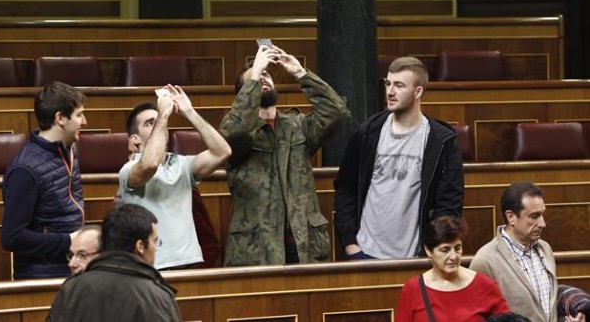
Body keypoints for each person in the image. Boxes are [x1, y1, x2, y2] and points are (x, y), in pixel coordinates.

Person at [219, 43, 350, 266]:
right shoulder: (237, 130)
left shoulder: (297, 126)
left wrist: (300, 73)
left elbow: (337, 114)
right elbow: (232, 136)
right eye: (257, 77)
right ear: (244, 94)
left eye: (266, 75)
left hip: (304, 246)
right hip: (257, 250)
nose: (263, 79)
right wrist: (255, 74)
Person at [334, 56, 464, 260]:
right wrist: (351, 244)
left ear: (418, 91)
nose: (390, 92)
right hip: (365, 252)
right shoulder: (368, 133)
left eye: (399, 85)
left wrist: (430, 250)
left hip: (415, 256)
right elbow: (346, 188)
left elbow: (449, 203)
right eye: (388, 83)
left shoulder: (440, 141)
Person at [117, 85, 231, 270]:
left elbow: (222, 152)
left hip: (191, 261)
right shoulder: (128, 169)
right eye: (149, 123)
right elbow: (150, 164)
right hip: (155, 265)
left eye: (158, 120)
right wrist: (162, 115)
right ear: (134, 139)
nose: (158, 124)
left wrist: (190, 112)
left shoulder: (182, 164)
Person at [1, 81, 87, 279]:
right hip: (42, 276)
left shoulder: (69, 149)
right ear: (60, 118)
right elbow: (11, 238)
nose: (84, 122)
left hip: (71, 267)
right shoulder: (24, 169)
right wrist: (68, 241)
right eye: (79, 115)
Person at [470, 181, 586, 322]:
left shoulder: (545, 248)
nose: (543, 223)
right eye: (534, 216)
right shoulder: (485, 261)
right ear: (511, 217)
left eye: (542, 215)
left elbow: (547, 308)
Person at [46, 203, 181, 322]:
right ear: (140, 246)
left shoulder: (72, 287)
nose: (155, 248)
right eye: (154, 241)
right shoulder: (157, 296)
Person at [396, 215, 509, 321]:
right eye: (445, 250)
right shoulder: (413, 289)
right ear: (429, 251)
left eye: (457, 248)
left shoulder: (484, 285)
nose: (453, 256)